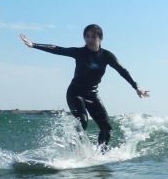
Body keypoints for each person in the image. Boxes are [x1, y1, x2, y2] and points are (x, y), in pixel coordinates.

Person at [20, 24, 149, 147]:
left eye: (93, 37)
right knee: (83, 122)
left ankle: (100, 155)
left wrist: (136, 87)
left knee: (106, 129)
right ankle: (73, 148)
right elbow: (58, 49)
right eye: (87, 36)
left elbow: (122, 71)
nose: (90, 39)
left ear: (100, 38)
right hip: (75, 93)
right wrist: (34, 45)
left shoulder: (107, 56)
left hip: (92, 94)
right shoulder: (79, 52)